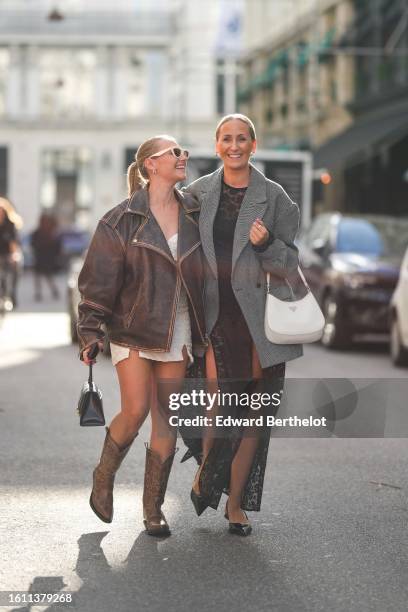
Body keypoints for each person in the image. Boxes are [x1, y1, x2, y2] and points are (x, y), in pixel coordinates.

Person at [77, 135, 207, 537]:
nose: (183, 157)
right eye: (175, 153)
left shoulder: (194, 213)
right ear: (151, 164)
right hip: (132, 328)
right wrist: (90, 331)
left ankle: (153, 509)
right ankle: (103, 477)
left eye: (182, 152)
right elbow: (98, 281)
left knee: (165, 418)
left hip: (179, 327)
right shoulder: (120, 220)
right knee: (135, 411)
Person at [181, 114, 303, 536]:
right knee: (220, 406)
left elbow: (290, 264)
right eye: (226, 139)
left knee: (255, 413)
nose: (234, 145)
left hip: (261, 317)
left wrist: (267, 244)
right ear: (217, 146)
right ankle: (209, 475)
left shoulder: (275, 198)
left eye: (242, 138)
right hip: (216, 315)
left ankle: (235, 505)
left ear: (254, 144)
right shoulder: (197, 195)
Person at [30, 213, 62, 301]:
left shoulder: (47, 232)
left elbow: (56, 246)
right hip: (41, 258)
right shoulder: (44, 233)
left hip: (43, 258)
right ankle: (43, 292)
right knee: (43, 277)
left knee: (45, 276)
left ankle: (47, 292)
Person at [0, 197, 23, 308]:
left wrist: (14, 255)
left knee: (15, 267)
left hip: (9, 253)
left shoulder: (10, 224)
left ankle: (12, 294)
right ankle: (3, 293)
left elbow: (13, 242)